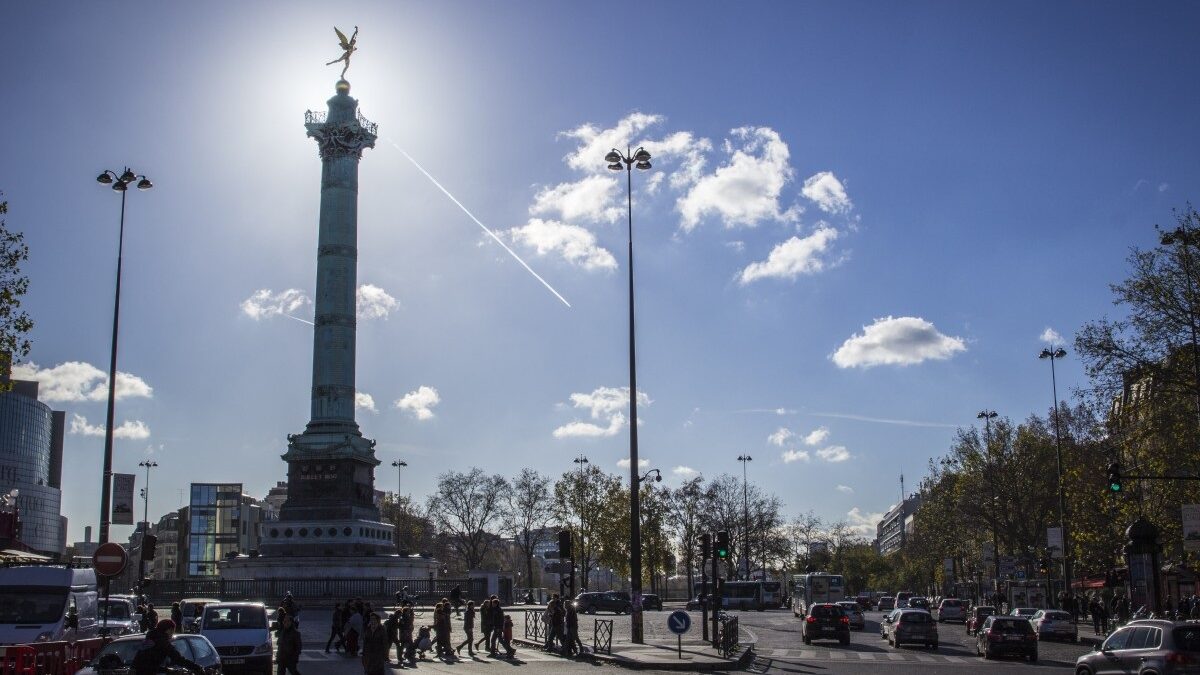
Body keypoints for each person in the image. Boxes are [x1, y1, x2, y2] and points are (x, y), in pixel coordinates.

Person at [131, 620, 204, 675]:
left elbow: (144, 661)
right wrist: (196, 667)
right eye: (172, 631)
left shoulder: (149, 640)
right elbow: (178, 659)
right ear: (169, 630)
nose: (172, 635)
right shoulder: (162, 642)